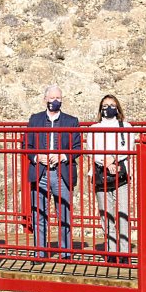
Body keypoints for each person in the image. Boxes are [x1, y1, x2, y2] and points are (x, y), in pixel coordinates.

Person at [23, 85, 81, 260]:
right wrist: (36, 157)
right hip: (40, 172)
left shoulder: (71, 121)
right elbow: (26, 145)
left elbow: (77, 147)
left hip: (61, 173)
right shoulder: (35, 120)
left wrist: (62, 156)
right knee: (39, 214)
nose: (56, 101)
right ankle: (40, 252)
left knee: (64, 214)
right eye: (52, 98)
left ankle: (65, 252)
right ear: (45, 99)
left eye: (59, 98)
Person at [86, 94, 134, 265]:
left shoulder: (126, 127)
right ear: (101, 109)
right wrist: (106, 162)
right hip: (101, 174)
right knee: (106, 214)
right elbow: (93, 150)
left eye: (112, 105)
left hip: (121, 173)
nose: (109, 108)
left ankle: (125, 251)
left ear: (118, 107)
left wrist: (113, 159)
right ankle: (112, 251)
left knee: (122, 213)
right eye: (105, 105)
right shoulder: (93, 128)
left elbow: (128, 147)